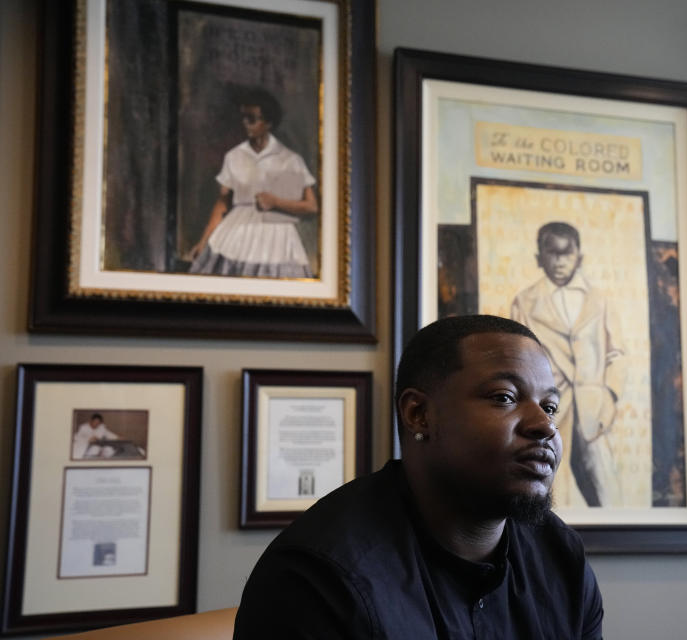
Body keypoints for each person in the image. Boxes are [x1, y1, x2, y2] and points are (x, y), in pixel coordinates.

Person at [233, 315, 603, 639]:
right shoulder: (319, 580)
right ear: (419, 415)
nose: (544, 425)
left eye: (550, 406)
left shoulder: (560, 558)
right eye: (504, 397)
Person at [510, 221, 625, 507]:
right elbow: (514, 361)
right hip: (549, 413)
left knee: (609, 493)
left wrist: (610, 397)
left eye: (567, 253)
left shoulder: (600, 301)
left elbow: (616, 354)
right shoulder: (524, 302)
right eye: (553, 253)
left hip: (594, 410)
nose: (560, 261)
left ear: (579, 257)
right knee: (549, 497)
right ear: (539, 258)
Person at [188, 87, 317, 278]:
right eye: (243, 118)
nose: (245, 124)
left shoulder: (290, 159)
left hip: (275, 238)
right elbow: (223, 203)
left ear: (269, 123)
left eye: (252, 119)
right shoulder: (234, 156)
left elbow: (311, 206)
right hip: (234, 235)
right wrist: (203, 241)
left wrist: (276, 202)